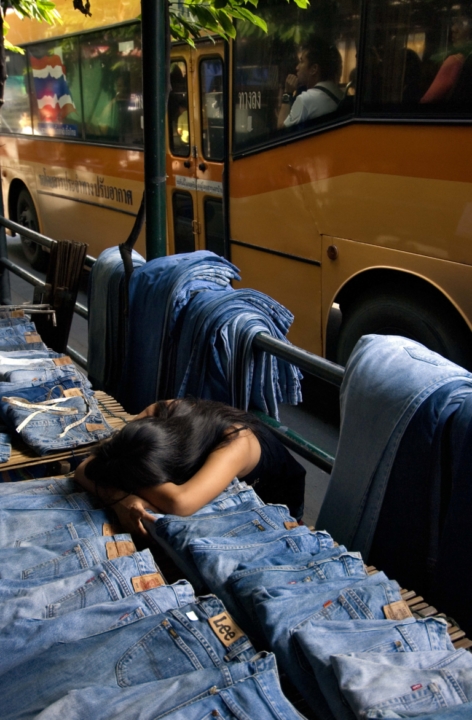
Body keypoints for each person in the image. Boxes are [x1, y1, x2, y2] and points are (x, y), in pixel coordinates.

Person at [75, 398, 306, 536]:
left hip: (274, 507)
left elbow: (179, 503)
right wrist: (121, 499)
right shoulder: (162, 410)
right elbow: (86, 468)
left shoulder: (237, 443)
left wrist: (114, 486)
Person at [278, 36, 343, 129]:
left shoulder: (306, 100)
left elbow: (281, 130)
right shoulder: (341, 95)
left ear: (314, 69)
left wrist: (287, 94)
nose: (297, 67)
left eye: (301, 62)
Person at [421, 14, 472, 104]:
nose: (453, 29)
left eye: (460, 24)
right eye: (454, 23)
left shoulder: (455, 60)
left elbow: (428, 100)